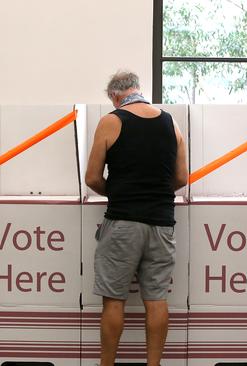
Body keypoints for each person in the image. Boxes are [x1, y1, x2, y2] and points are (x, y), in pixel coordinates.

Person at [85, 71, 188, 366]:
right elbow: (181, 177)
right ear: (138, 90)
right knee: (156, 298)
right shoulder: (172, 123)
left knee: (113, 299)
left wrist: (118, 193)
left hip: (122, 222)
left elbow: (92, 178)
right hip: (162, 223)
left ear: (116, 96)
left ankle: (107, 364)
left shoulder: (111, 121)